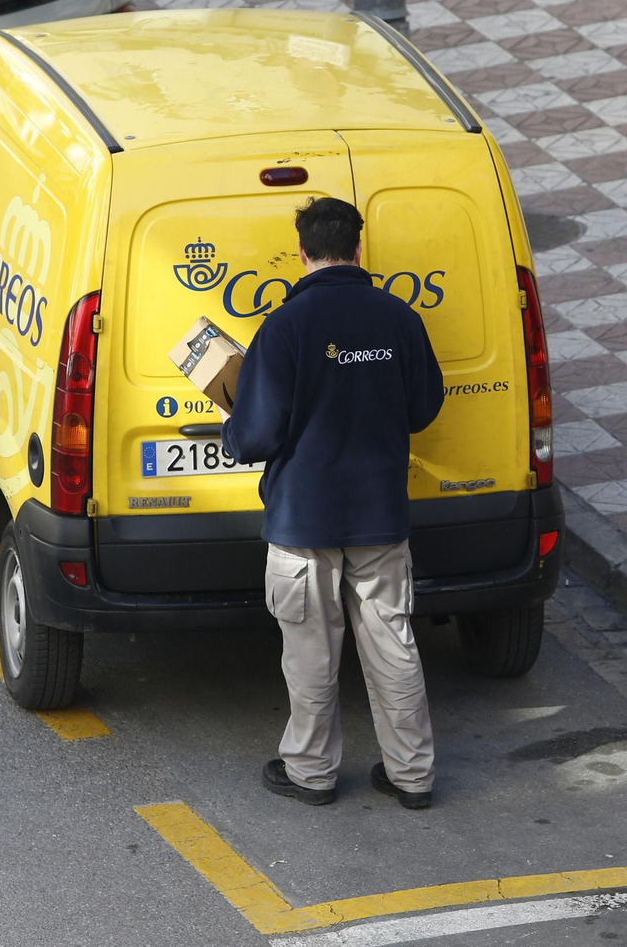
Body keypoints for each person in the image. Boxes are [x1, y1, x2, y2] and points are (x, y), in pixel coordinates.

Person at [220, 196, 445, 810]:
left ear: (302, 251)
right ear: (358, 247)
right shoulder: (398, 319)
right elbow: (425, 408)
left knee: (311, 648)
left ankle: (312, 774)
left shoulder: (286, 327)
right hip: (379, 514)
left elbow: (257, 435)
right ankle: (412, 775)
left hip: (303, 519)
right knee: (392, 641)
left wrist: (232, 424)